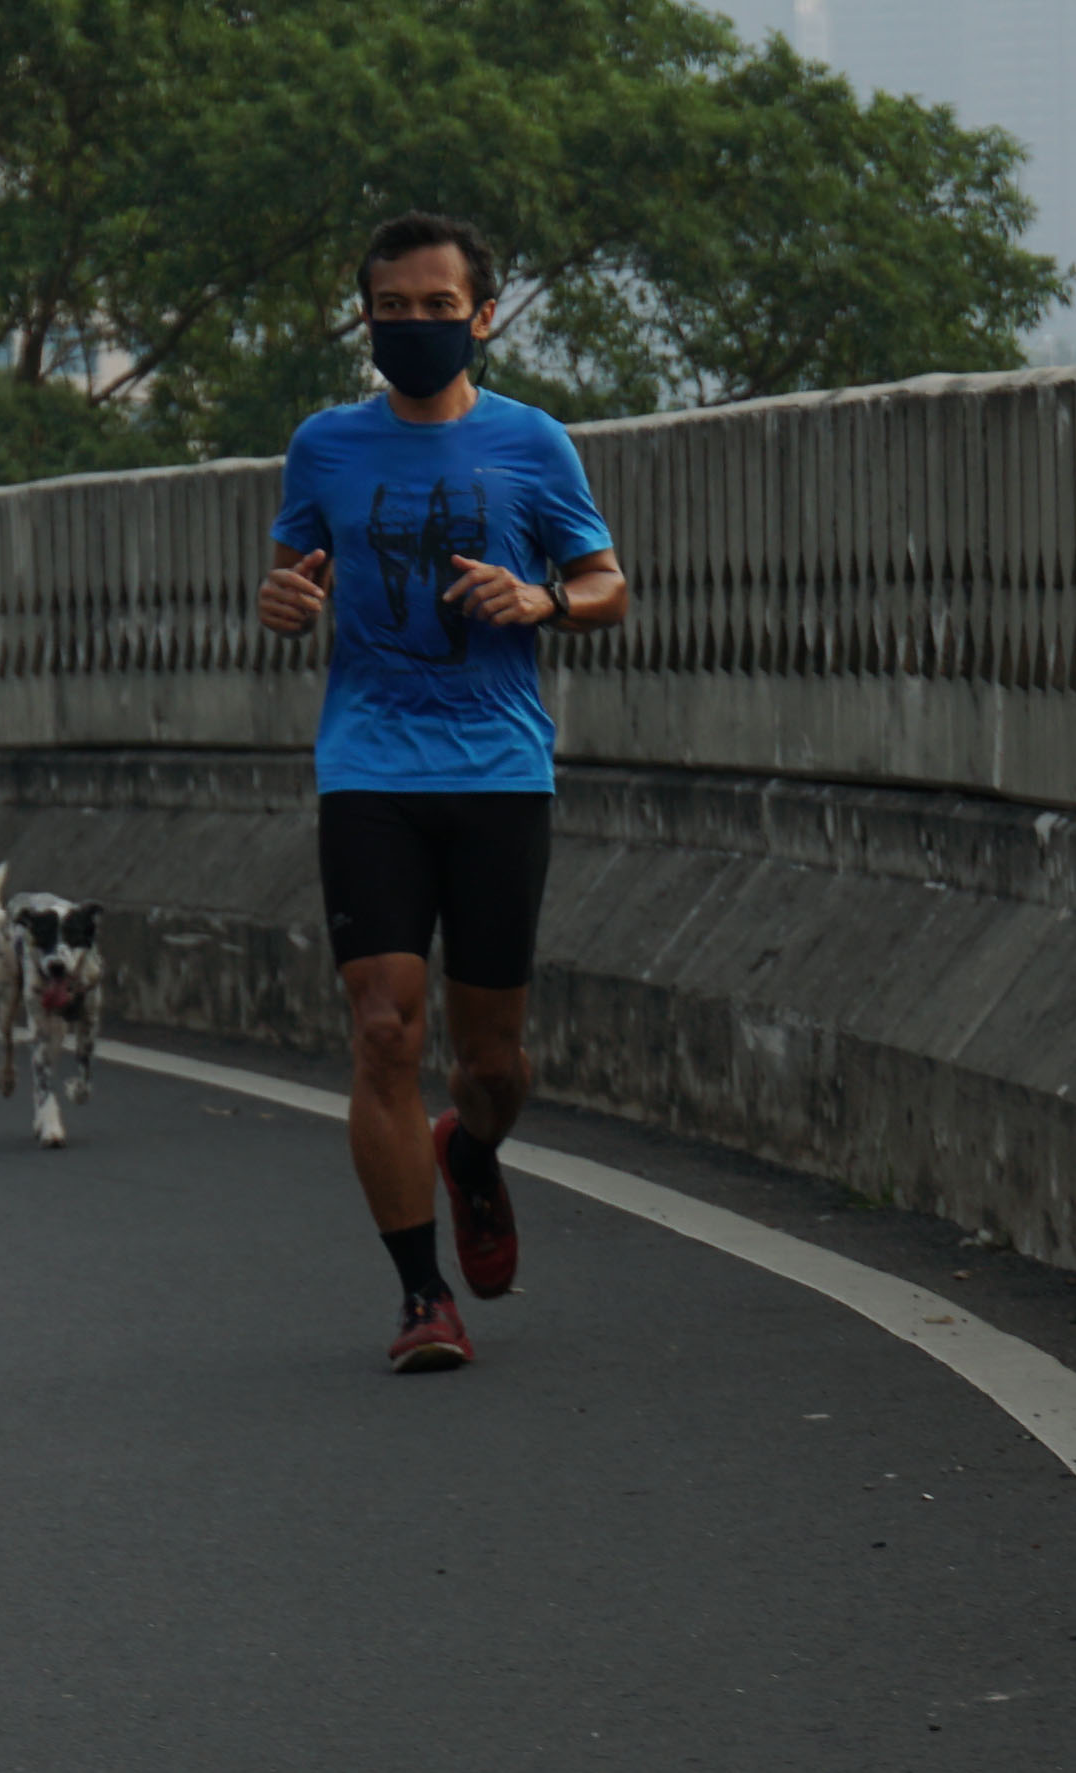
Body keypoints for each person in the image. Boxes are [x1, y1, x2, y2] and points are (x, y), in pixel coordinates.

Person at [258, 211, 629, 1372]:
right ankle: (422, 1297)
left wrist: (543, 600)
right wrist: (282, 603)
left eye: (436, 306)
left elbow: (608, 583)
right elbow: (292, 575)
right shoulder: (324, 446)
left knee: (493, 1062)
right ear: (363, 317)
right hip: (368, 766)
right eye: (391, 308)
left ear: (482, 316)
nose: (412, 324)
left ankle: (469, 1151)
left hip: (498, 771)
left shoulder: (533, 443)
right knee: (382, 1029)